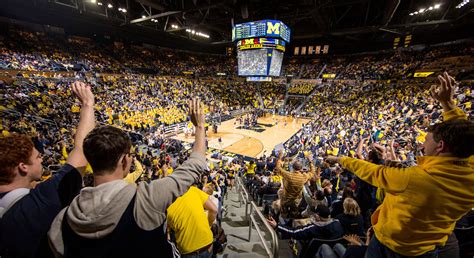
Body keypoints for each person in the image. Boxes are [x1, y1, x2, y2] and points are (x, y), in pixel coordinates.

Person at [325, 72, 474, 257]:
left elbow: (371, 171)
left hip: (392, 247)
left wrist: (341, 159)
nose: (422, 144)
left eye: (426, 140)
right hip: (427, 250)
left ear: (440, 146)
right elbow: (463, 134)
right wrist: (448, 105)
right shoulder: (469, 164)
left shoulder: (414, 178)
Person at [48, 98, 208, 257]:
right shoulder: (146, 199)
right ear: (124, 160)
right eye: (130, 155)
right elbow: (195, 165)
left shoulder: (62, 220)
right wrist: (200, 126)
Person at [0, 81, 95, 258]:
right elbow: (81, 149)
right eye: (37, 157)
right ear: (23, 167)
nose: (41, 158)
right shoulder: (41, 201)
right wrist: (88, 104)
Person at [166, 185, 218, 257]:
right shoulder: (193, 190)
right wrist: (208, 225)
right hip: (207, 244)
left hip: (187, 250)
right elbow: (214, 210)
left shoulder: (165, 203)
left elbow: (168, 233)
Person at [275, 151, 316, 218]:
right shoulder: (304, 176)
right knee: (294, 212)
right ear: (301, 168)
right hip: (297, 199)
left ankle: (282, 222)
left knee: (284, 212)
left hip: (286, 198)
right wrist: (310, 161)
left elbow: (278, 168)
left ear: (293, 167)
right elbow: (312, 172)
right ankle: (293, 222)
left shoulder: (288, 175)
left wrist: (280, 157)